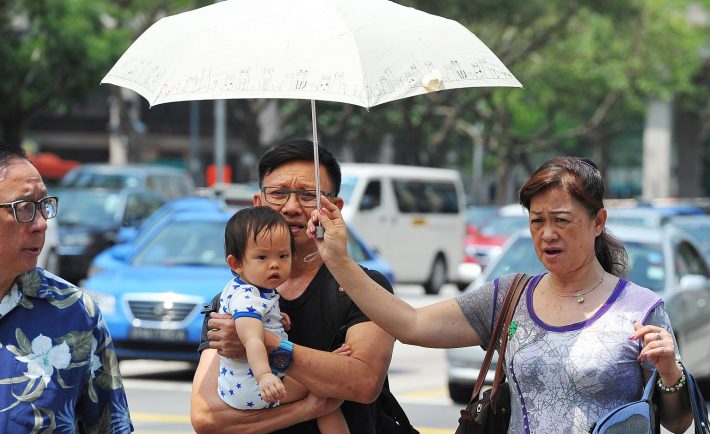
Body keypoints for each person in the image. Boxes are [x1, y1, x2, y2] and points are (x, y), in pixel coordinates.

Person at [308, 156, 693, 433]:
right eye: (537, 221)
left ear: (598, 222)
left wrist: (669, 374)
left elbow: (678, 422)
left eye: (561, 220)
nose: (547, 234)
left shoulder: (641, 308)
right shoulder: (510, 296)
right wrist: (340, 261)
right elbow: (411, 324)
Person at [190, 139, 415, 433]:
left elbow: (363, 383)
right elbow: (207, 417)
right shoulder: (231, 300)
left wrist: (268, 344)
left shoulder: (364, 289)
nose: (292, 207)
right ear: (259, 203)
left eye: (310, 195)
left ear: (334, 207)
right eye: (279, 193)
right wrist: (307, 408)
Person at [0, 144, 133, 433]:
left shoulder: (74, 312)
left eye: (44, 206)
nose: (41, 224)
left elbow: (110, 426)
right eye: (23, 208)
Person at [217, 206, 348, 432]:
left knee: (321, 377)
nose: (275, 264)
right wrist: (265, 376)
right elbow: (253, 340)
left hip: (237, 383)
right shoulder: (247, 297)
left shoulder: (249, 289)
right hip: (254, 384)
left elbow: (261, 318)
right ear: (236, 263)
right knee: (324, 386)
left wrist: (277, 319)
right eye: (262, 257)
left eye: (283, 255)